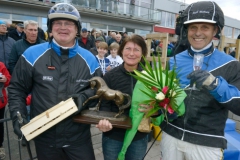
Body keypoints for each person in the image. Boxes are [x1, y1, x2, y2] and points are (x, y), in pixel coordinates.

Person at [8, 3, 102, 160]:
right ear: (50, 28)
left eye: (69, 23)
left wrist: (85, 97)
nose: (63, 27)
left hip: (79, 139)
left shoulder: (90, 59)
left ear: (77, 29)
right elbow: (17, 89)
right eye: (58, 23)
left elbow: (98, 90)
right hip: (45, 140)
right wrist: (18, 115)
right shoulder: (32, 54)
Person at [155, 1, 240, 160]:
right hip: (171, 136)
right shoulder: (174, 60)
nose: (197, 33)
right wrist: (160, 109)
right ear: (186, 30)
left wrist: (215, 85)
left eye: (205, 27)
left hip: (206, 144)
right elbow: (163, 95)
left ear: (216, 30)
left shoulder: (231, 64)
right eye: (193, 27)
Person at [96, 34, 149, 160]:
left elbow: (158, 106)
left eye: (136, 50)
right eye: (128, 49)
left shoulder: (148, 77)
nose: (131, 53)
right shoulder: (110, 76)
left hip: (138, 136)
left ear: (142, 53)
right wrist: (103, 122)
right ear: (121, 51)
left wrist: (153, 110)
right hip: (114, 135)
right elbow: (103, 106)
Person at [0, 62, 11, 160]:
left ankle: (0, 146)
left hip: (0, 103)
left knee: (0, 126)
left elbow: (8, 78)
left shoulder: (0, 65)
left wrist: (5, 79)